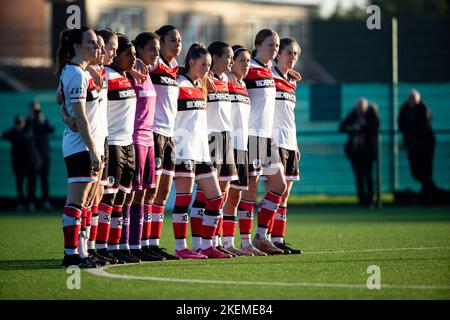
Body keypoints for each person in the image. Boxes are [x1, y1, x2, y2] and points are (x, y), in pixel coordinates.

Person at [172, 43, 232, 259]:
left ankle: (206, 246)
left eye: (209, 64)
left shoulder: (201, 86)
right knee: (183, 200)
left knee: (216, 197)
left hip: (202, 151)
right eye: (204, 64)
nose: (207, 68)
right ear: (191, 62)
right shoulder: (178, 84)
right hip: (182, 150)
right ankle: (181, 248)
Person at [55, 27, 102, 268]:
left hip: (83, 144)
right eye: (91, 43)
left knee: (84, 203)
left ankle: (80, 253)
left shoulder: (77, 71)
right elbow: (81, 118)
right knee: (76, 201)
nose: (96, 47)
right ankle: (70, 255)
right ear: (76, 46)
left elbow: (59, 98)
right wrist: (93, 149)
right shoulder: (75, 74)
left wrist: (64, 115)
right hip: (80, 146)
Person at [188, 41, 238, 256]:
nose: (232, 61)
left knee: (222, 196)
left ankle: (215, 241)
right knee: (205, 196)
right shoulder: (203, 80)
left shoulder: (227, 79)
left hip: (227, 139)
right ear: (214, 58)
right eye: (228, 57)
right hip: (209, 140)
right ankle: (200, 243)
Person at [241, 29, 286, 255]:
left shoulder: (270, 71)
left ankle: (261, 236)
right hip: (252, 137)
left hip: (267, 139)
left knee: (279, 185)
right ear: (258, 45)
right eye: (271, 45)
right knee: (249, 191)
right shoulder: (249, 69)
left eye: (277, 45)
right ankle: (245, 242)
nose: (275, 49)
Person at [221, 45, 263, 256]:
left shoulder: (243, 85)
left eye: (248, 61)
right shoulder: (226, 80)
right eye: (241, 61)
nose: (246, 65)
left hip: (243, 146)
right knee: (224, 196)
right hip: (227, 145)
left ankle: (239, 243)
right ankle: (220, 242)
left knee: (237, 197)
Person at [265, 37, 303, 254]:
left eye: (295, 54)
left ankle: (278, 239)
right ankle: (265, 237)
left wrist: (296, 144)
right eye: (288, 52)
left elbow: (290, 116)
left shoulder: (292, 82)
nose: (292, 57)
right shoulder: (269, 75)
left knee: (285, 193)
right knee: (273, 190)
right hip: (273, 141)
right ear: (278, 55)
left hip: (289, 141)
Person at [398, 89, 437, 203]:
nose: (412, 100)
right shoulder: (404, 109)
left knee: (426, 171)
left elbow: (423, 127)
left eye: (414, 98)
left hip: (425, 146)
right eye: (410, 98)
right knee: (416, 172)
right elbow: (401, 124)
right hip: (412, 146)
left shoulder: (423, 109)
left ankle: (428, 196)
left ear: (418, 99)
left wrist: (410, 129)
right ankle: (431, 193)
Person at [339, 98, 379, 207]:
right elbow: (342, 127)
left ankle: (370, 200)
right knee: (359, 177)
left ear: (366, 107)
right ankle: (361, 200)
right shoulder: (353, 114)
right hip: (355, 152)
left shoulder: (371, 114)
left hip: (368, 152)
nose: (360, 109)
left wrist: (361, 127)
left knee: (369, 177)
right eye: (358, 107)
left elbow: (375, 126)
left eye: (362, 107)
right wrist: (352, 128)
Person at [2, 115, 42, 212]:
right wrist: (16, 131)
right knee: (19, 185)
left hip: (31, 163)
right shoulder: (14, 131)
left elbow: (26, 137)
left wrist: (16, 134)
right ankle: (21, 203)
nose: (19, 125)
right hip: (19, 164)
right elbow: (4, 135)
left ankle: (31, 203)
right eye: (18, 123)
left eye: (20, 123)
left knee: (31, 185)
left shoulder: (28, 130)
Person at [26, 101, 55, 211]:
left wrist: (42, 120)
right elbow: (27, 132)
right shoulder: (28, 121)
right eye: (34, 109)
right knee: (31, 179)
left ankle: (45, 201)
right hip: (32, 155)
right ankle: (31, 202)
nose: (36, 112)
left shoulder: (43, 120)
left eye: (37, 109)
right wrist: (31, 119)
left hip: (44, 154)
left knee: (44, 179)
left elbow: (51, 129)